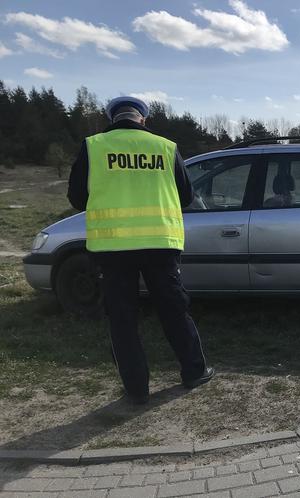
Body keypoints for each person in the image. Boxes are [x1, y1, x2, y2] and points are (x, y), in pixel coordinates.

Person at [67, 96, 214, 405]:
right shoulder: (166, 147)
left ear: (112, 119)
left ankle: (136, 390)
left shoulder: (93, 146)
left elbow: (77, 198)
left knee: (122, 318)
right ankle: (194, 371)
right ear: (142, 120)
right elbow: (186, 196)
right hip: (161, 243)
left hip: (112, 246)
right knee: (173, 309)